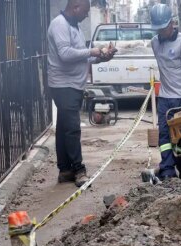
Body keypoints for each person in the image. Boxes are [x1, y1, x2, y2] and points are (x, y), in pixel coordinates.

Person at [48, 0, 116, 187]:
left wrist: (102, 57)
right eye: (85, 11)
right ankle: (78, 169)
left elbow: (81, 56)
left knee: (63, 129)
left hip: (72, 85)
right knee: (72, 129)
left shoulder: (74, 26)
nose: (86, 15)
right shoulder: (59, 24)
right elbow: (66, 54)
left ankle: (65, 170)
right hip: (63, 85)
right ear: (75, 7)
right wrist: (94, 50)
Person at [149, 4, 181, 181]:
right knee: (164, 135)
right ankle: (168, 170)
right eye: (158, 29)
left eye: (164, 28)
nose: (161, 32)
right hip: (164, 98)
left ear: (172, 23)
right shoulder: (155, 43)